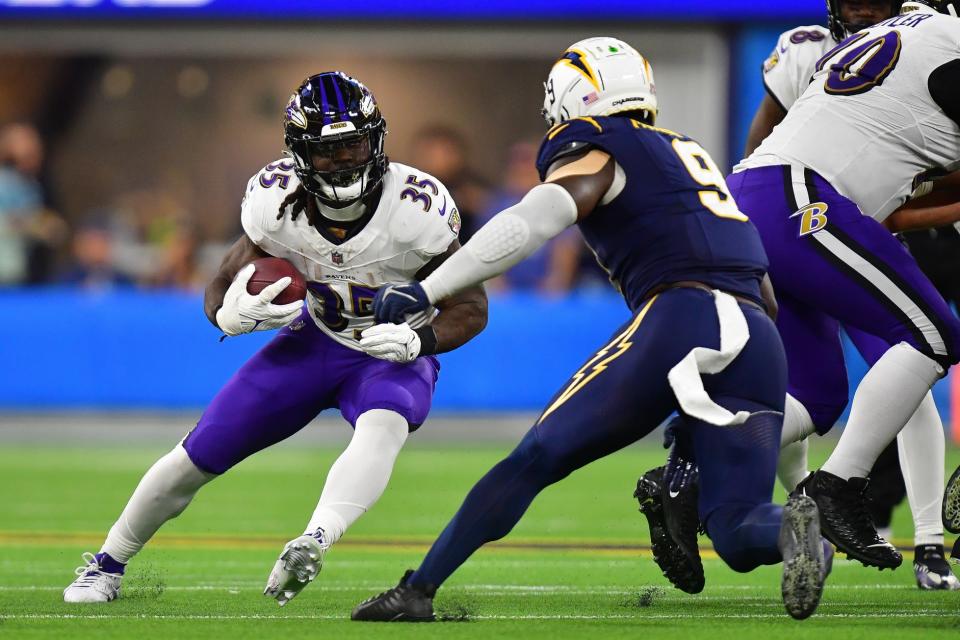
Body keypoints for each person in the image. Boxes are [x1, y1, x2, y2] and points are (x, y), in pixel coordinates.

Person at [351, 37, 831, 622]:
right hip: (757, 333)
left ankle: (417, 591)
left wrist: (430, 289)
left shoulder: (598, 143)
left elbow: (536, 219)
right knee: (735, 529)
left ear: (574, 99)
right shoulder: (686, 154)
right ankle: (791, 531)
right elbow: (764, 295)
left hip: (681, 314)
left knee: (535, 459)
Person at [61, 72, 488, 605]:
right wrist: (226, 315)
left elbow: (471, 308)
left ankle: (314, 539)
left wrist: (420, 341)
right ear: (299, 154)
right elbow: (222, 277)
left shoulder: (417, 208)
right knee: (195, 456)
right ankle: (107, 564)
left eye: (354, 143)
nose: (346, 160)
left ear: (376, 139)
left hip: (386, 349)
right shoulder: (274, 201)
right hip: (315, 341)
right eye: (327, 151)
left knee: (384, 425)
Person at [641, 0, 958, 593]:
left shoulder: (906, 40)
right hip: (805, 204)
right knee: (929, 336)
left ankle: (690, 471)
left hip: (791, 204)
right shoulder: (937, 44)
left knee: (817, 392)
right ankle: (838, 487)